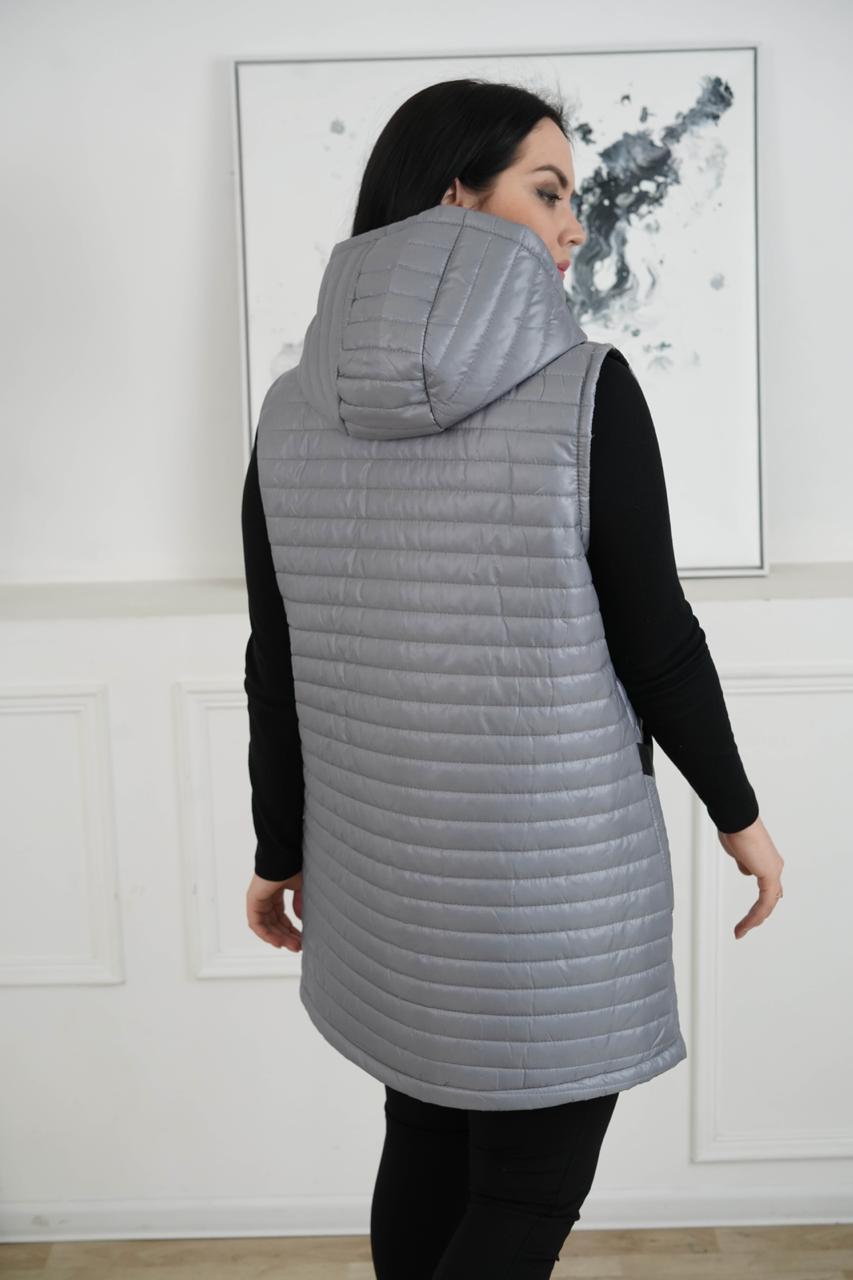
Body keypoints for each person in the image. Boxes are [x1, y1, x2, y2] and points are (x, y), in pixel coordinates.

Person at [241, 79, 784, 1279]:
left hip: (383, 888)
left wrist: (278, 849)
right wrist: (739, 815)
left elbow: (275, 665)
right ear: (458, 199)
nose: (573, 226)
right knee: (528, 1187)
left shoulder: (287, 412)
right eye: (547, 192)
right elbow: (657, 639)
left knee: (426, 1136)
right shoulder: (586, 389)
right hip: (552, 896)